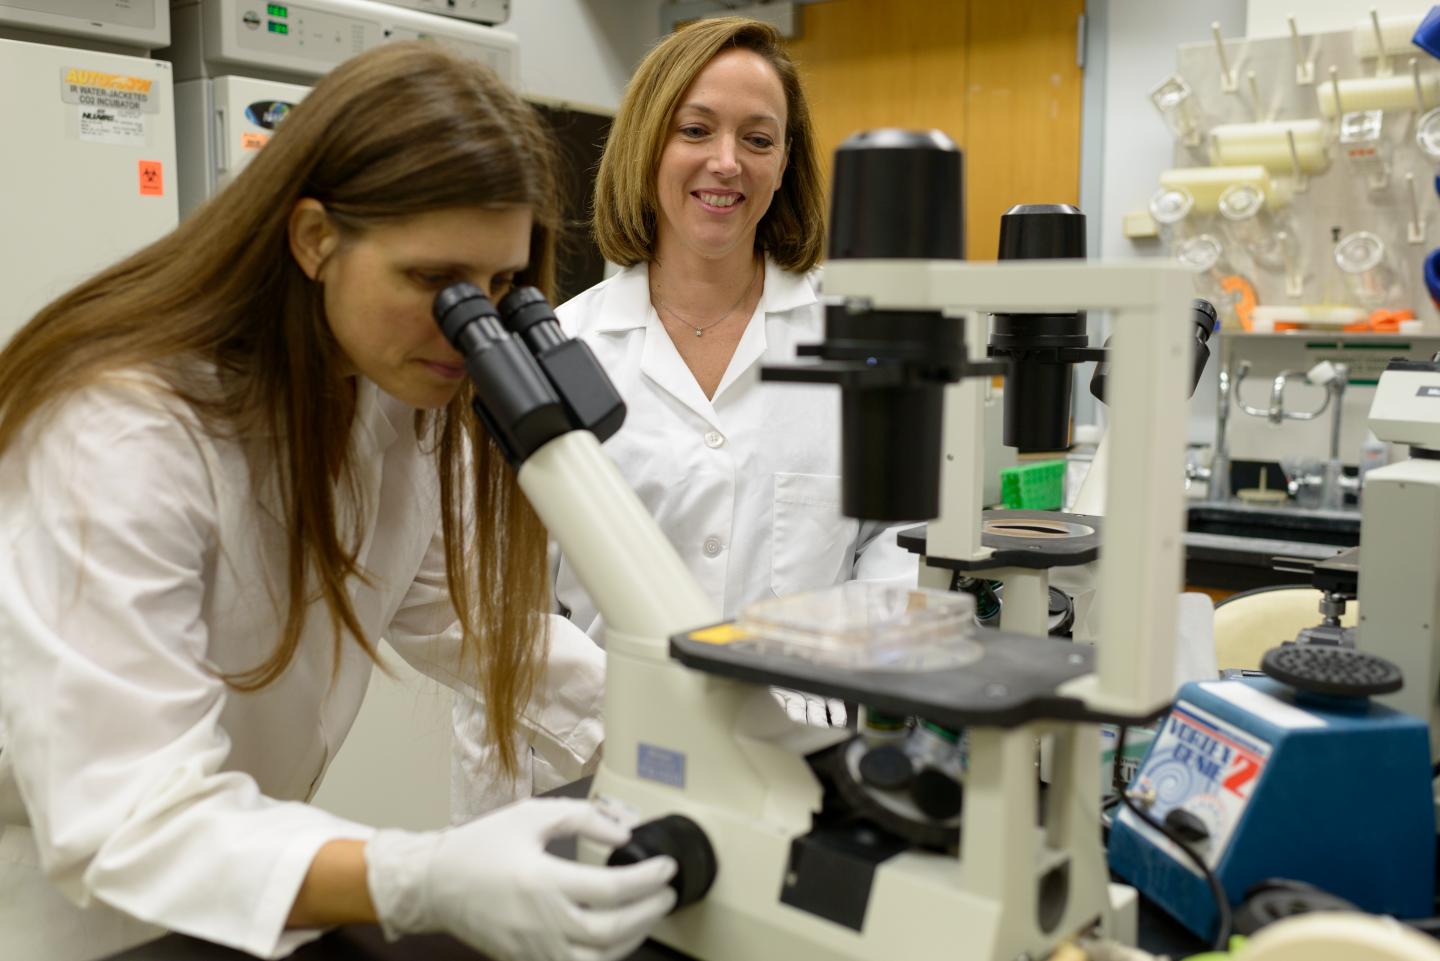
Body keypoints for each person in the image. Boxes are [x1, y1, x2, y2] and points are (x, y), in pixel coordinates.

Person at [0, 41, 677, 961]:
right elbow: (128, 813)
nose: (467, 323)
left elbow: (479, 622)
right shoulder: (118, 434)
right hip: (64, 913)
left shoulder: (383, 398)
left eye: (500, 287)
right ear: (316, 238)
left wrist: (704, 732)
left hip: (233, 888)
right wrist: (421, 874)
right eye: (434, 282)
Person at [451, 17, 918, 820]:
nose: (726, 162)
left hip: (806, 765)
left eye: (758, 139)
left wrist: (851, 692)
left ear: (785, 166)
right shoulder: (562, 346)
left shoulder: (858, 344)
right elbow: (501, 597)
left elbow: (901, 540)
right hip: (603, 760)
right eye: (695, 129)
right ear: (647, 148)